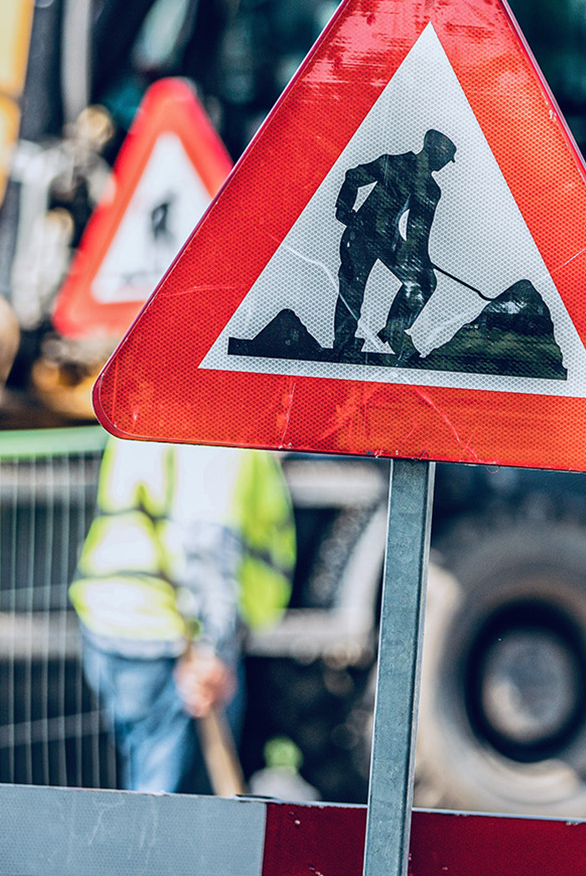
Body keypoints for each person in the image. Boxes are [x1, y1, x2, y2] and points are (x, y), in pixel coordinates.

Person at [70, 437, 294, 794]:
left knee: (151, 781)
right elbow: (207, 546)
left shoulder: (148, 409)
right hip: (173, 641)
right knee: (170, 805)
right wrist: (212, 651)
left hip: (114, 621)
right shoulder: (219, 423)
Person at [332, 128, 456, 358]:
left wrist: (421, 259)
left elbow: (418, 231)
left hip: (386, 237)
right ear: (435, 152)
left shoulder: (429, 188)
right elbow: (353, 177)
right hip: (361, 232)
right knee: (352, 289)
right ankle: (343, 346)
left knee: (424, 281)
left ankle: (395, 329)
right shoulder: (395, 164)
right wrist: (344, 208)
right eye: (445, 160)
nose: (444, 165)